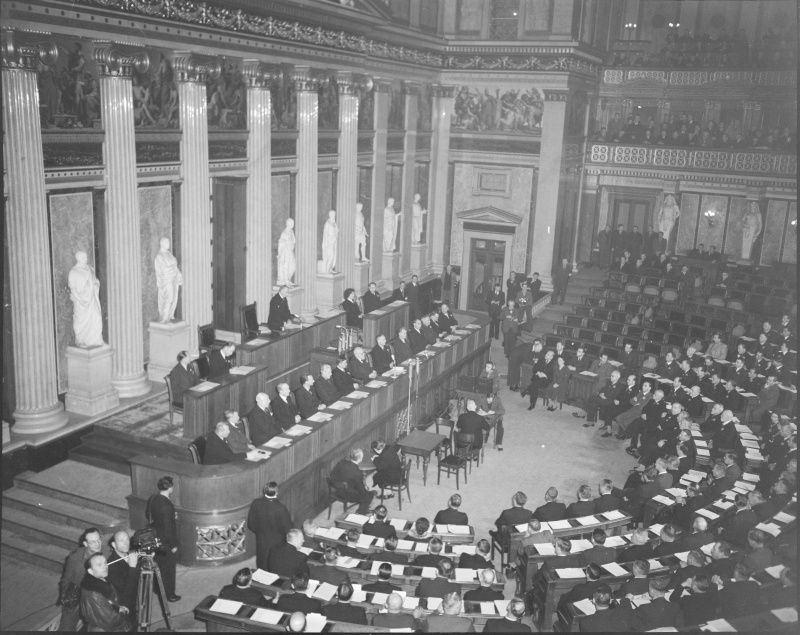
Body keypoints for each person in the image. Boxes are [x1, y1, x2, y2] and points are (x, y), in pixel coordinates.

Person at [60, 527, 105, 631]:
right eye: (93, 542)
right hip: (77, 595)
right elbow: (67, 579)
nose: (97, 544)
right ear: (85, 544)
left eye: (99, 540)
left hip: (97, 599)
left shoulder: (107, 554)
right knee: (66, 628)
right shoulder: (75, 557)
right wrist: (66, 596)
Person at [146, 476, 180, 602]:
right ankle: (169, 594)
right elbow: (169, 528)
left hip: (155, 538)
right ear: (170, 487)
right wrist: (173, 545)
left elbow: (148, 514)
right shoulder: (166, 505)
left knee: (158, 565)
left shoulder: (153, 498)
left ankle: (156, 588)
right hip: (165, 542)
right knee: (169, 569)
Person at [247, 482, 293, 571]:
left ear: (265, 491)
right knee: (276, 566)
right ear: (276, 492)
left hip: (262, 540)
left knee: (262, 563)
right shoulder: (281, 508)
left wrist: (260, 532)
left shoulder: (255, 503)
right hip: (278, 542)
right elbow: (288, 528)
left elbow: (251, 524)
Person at [80, 554, 131, 632]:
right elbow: (110, 621)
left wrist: (117, 608)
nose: (105, 566)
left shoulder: (101, 580)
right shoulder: (93, 593)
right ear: (90, 571)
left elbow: (107, 603)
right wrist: (122, 613)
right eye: (99, 565)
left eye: (105, 563)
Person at [68, 250, 104, 347]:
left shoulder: (90, 269)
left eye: (86, 257)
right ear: (78, 258)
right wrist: (81, 300)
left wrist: (96, 284)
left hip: (91, 298)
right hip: (81, 301)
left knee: (97, 317)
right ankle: (80, 339)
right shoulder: (73, 272)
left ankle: (96, 339)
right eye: (83, 257)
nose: (86, 259)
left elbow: (95, 281)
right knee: (80, 321)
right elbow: (73, 288)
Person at [330, 448, 374, 514]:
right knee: (369, 495)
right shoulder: (357, 473)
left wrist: (341, 483)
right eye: (362, 456)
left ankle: (363, 508)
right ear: (359, 459)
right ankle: (361, 511)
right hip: (347, 495)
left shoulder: (342, 462)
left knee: (366, 492)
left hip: (337, 490)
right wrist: (366, 490)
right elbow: (361, 491)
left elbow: (332, 474)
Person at [106, 530, 139, 615]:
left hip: (135, 601)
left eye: (127, 539)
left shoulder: (129, 554)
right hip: (124, 607)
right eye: (121, 540)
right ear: (114, 545)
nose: (125, 543)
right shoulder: (111, 565)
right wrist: (132, 567)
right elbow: (126, 590)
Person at [154, 237, 182, 323]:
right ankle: (164, 318)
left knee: (173, 299)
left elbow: (175, 266)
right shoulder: (159, 256)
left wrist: (179, 274)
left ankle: (169, 315)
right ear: (162, 243)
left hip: (173, 279)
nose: (169, 244)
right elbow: (164, 270)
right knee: (169, 298)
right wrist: (173, 267)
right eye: (167, 242)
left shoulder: (169, 254)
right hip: (166, 280)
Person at [276, 218, 297, 286]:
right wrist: (280, 254)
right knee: (286, 265)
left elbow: (294, 241)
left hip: (290, 251)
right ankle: (286, 280)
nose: (293, 225)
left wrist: (290, 242)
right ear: (288, 224)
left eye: (293, 223)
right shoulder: (284, 233)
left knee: (293, 266)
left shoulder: (291, 231)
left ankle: (288, 278)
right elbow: (280, 243)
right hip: (286, 251)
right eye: (292, 223)